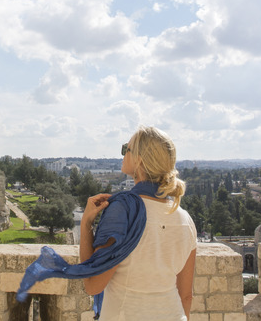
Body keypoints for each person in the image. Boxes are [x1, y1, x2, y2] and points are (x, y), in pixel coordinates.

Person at [80, 126, 196, 320]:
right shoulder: (185, 219)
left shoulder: (122, 211)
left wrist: (85, 225)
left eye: (127, 149)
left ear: (140, 159)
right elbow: (186, 295)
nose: (123, 154)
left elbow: (93, 284)